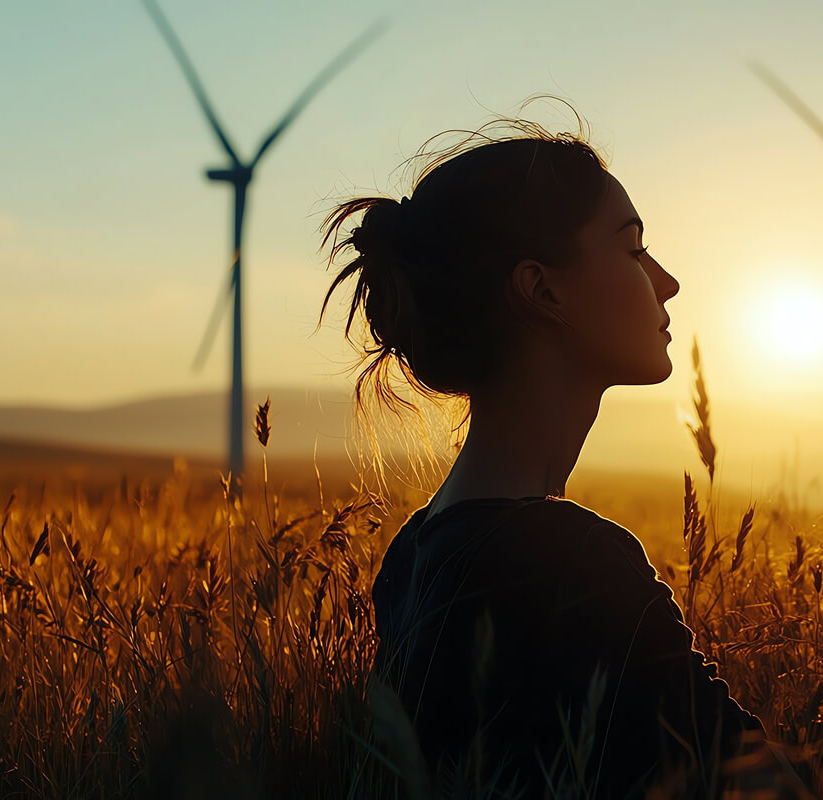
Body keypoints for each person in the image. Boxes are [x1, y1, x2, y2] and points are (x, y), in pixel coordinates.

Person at [320, 110, 764, 798]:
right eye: (634, 249)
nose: (667, 281)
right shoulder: (570, 563)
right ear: (542, 290)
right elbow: (768, 786)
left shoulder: (412, 555)